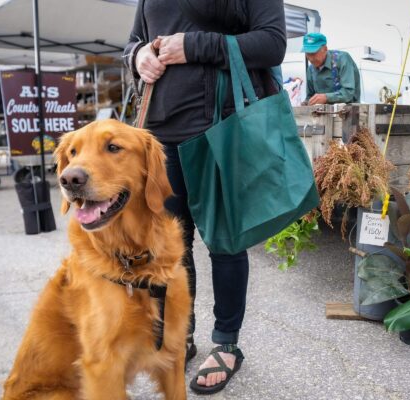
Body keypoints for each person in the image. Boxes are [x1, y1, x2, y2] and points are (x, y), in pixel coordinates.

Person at [124, 0, 286, 395]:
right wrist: (138, 56)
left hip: (219, 126)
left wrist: (195, 46)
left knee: (225, 242)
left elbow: (272, 43)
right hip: (159, 134)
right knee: (171, 248)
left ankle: (227, 344)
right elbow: (133, 41)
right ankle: (182, 332)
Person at [302, 32, 361, 105]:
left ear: (325, 49)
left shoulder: (342, 59)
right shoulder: (310, 70)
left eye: (314, 53)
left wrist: (326, 97)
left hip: (347, 113)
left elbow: (348, 92)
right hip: (321, 114)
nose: (311, 58)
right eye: (307, 54)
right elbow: (310, 96)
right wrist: (306, 103)